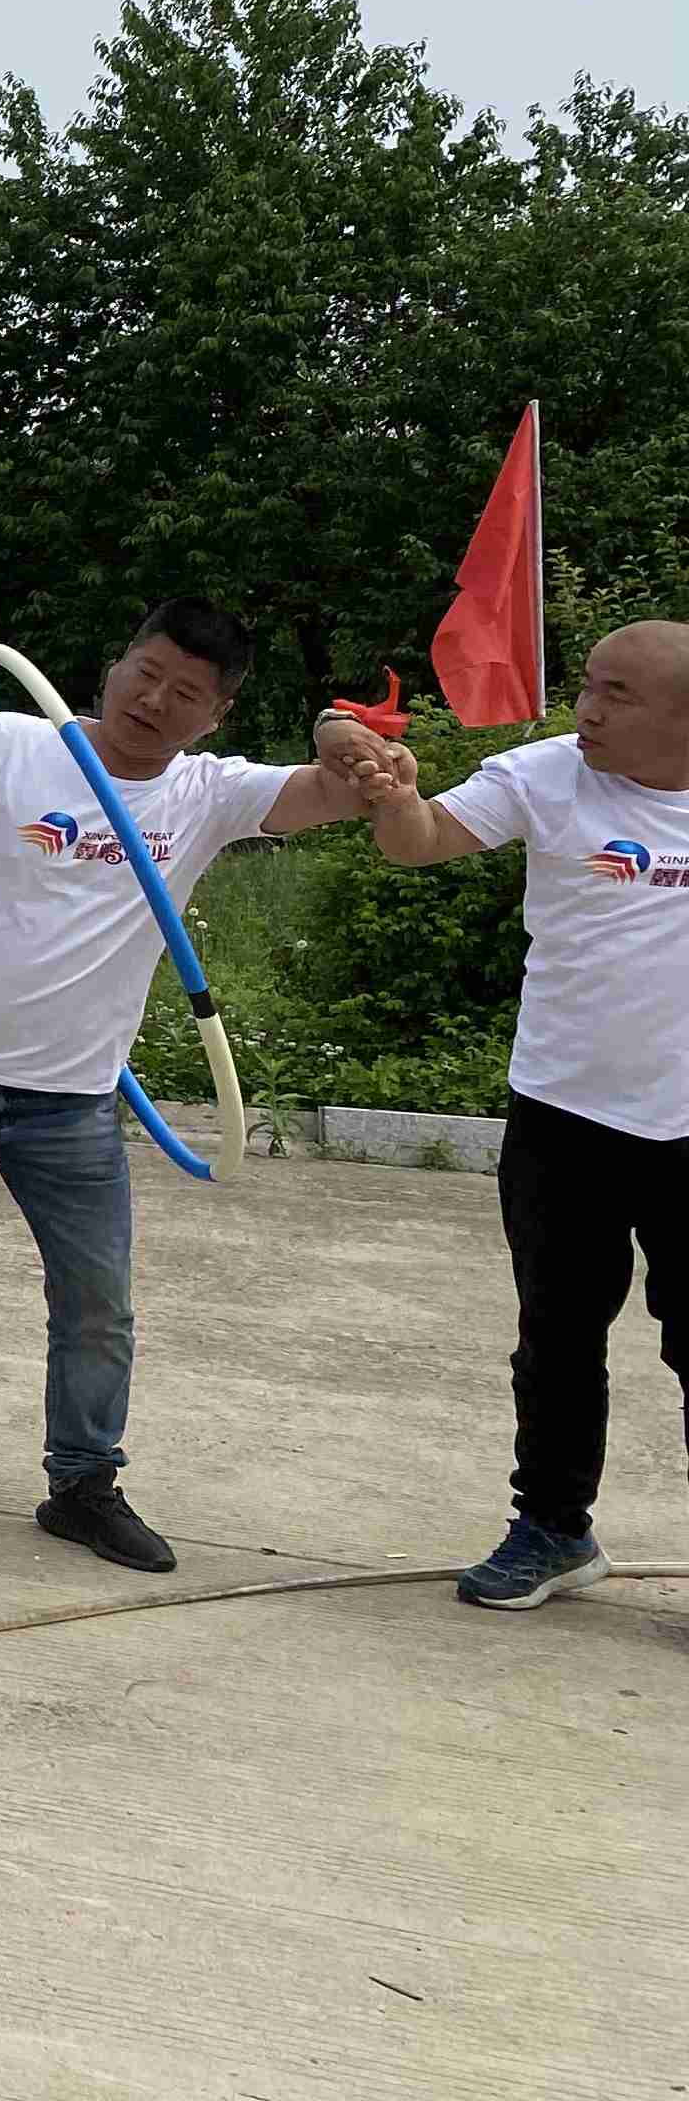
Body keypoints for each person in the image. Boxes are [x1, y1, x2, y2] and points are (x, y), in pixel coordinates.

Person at [0, 599, 385, 1569]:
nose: (155, 699)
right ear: (115, 663)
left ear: (215, 715)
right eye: (147, 672)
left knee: (98, 1306)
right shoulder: (7, 745)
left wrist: (343, 735)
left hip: (73, 1102)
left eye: (186, 692)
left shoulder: (211, 792)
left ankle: (85, 1486)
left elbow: (337, 796)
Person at [321, 621, 689, 1610]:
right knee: (558, 1335)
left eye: (616, 695)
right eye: (588, 685)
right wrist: (395, 798)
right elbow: (421, 841)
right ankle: (554, 1530)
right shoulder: (549, 774)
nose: (586, 710)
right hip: (564, 1117)